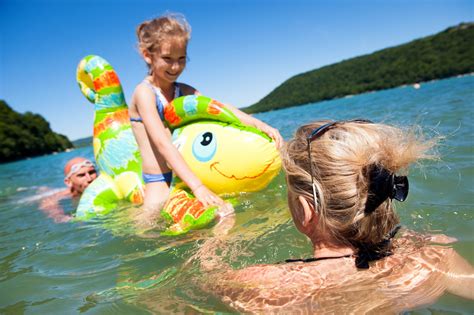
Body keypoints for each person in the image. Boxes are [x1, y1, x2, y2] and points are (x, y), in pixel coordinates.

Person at [194, 119, 473, 313]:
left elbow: (199, 289)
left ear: (305, 211)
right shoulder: (431, 255)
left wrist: (215, 239)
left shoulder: (262, 284)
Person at [128, 13, 283, 224]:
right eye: (167, 59)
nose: (175, 67)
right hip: (160, 180)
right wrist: (199, 188)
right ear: (148, 55)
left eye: (181, 59)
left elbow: (219, 110)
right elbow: (162, 144)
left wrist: (260, 124)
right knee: (153, 233)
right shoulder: (144, 93)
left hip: (189, 175)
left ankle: (214, 258)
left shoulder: (183, 90)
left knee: (224, 214)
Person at [39, 157, 97, 223]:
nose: (89, 179)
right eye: (81, 175)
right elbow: (47, 203)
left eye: (92, 172)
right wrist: (63, 217)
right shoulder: (64, 195)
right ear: (68, 182)